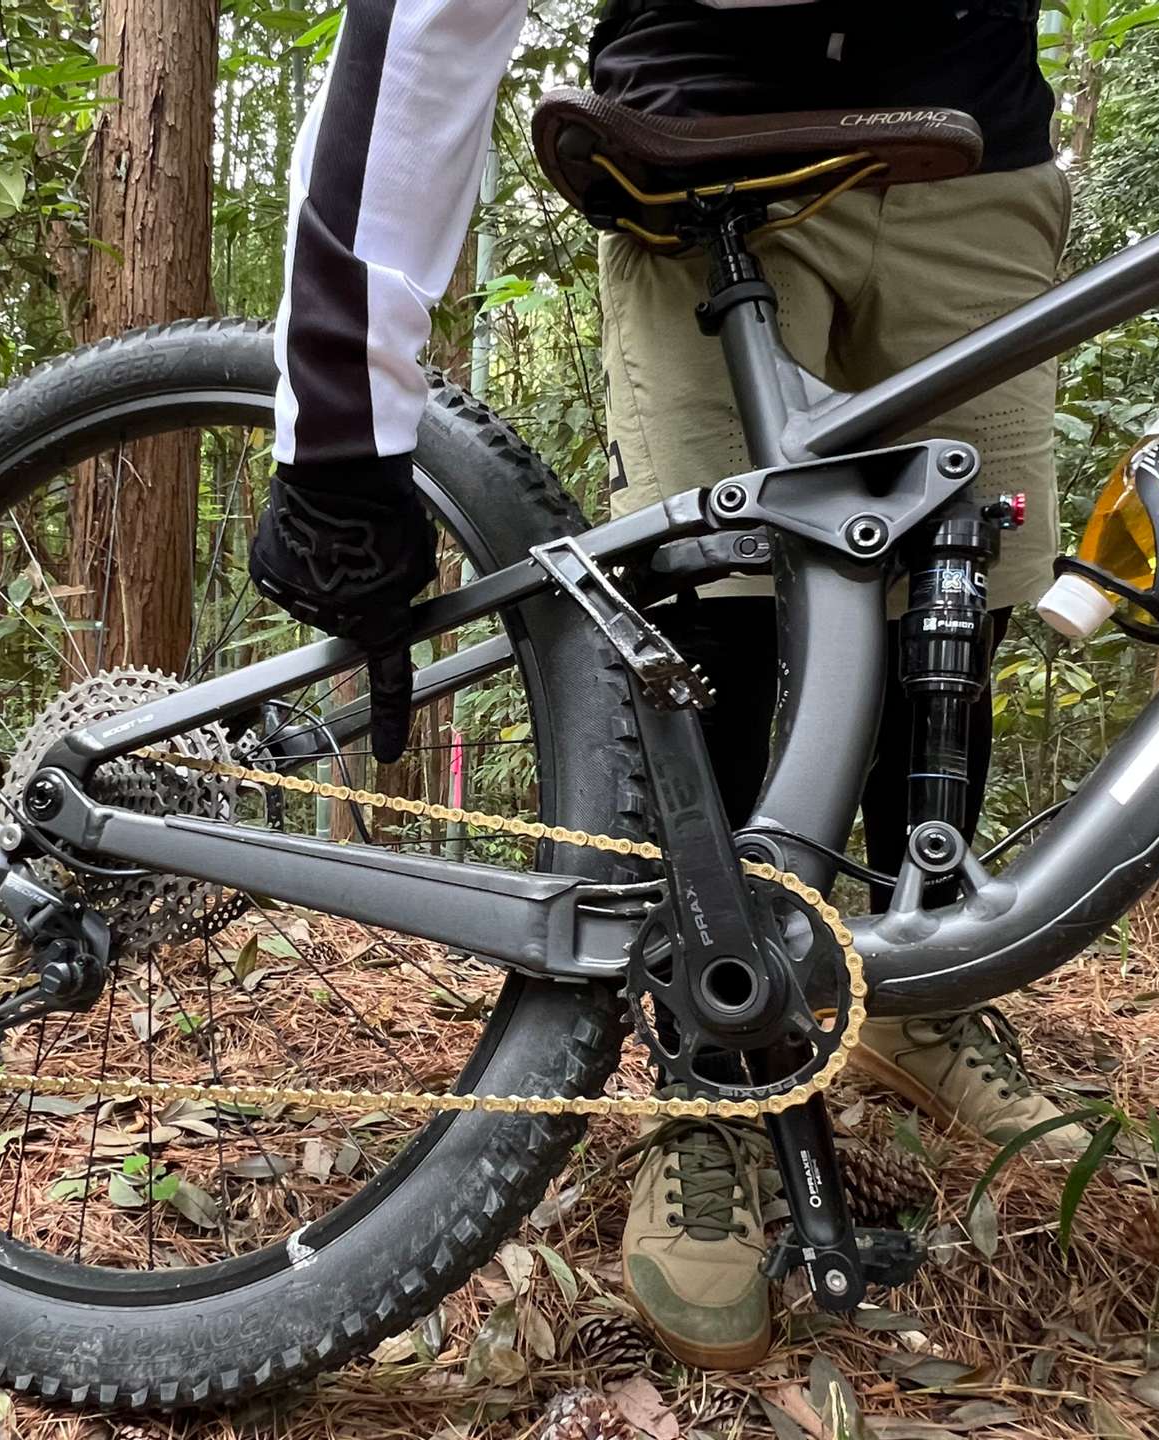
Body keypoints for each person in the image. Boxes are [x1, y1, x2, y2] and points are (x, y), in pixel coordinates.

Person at [250, 0, 1087, 1371]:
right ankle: (716, 1057)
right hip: (704, 143)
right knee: (718, 616)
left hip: (974, 149)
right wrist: (347, 428)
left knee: (957, 598)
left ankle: (918, 997)